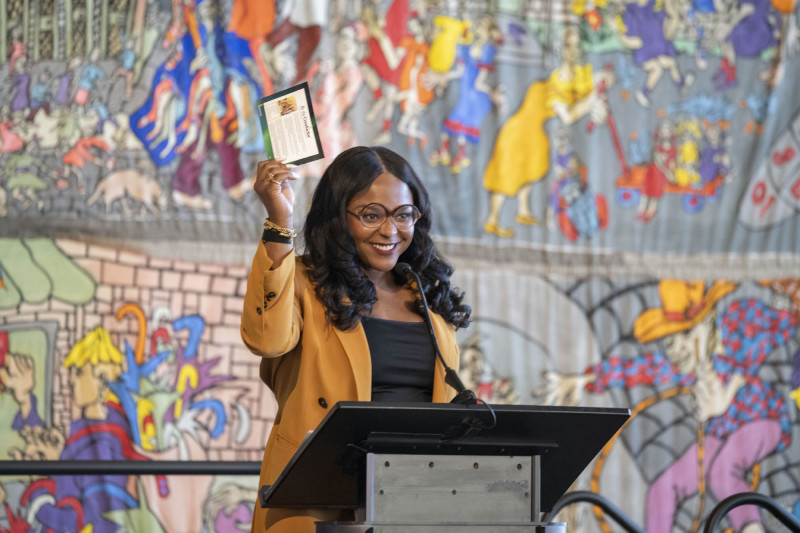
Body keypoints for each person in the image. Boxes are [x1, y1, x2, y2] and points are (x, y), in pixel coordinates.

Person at [241, 146, 471, 532]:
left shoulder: (426, 296)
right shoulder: (302, 281)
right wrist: (279, 221)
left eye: (403, 214)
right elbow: (266, 340)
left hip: (411, 502)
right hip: (319, 498)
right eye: (371, 215)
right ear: (338, 216)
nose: (389, 230)